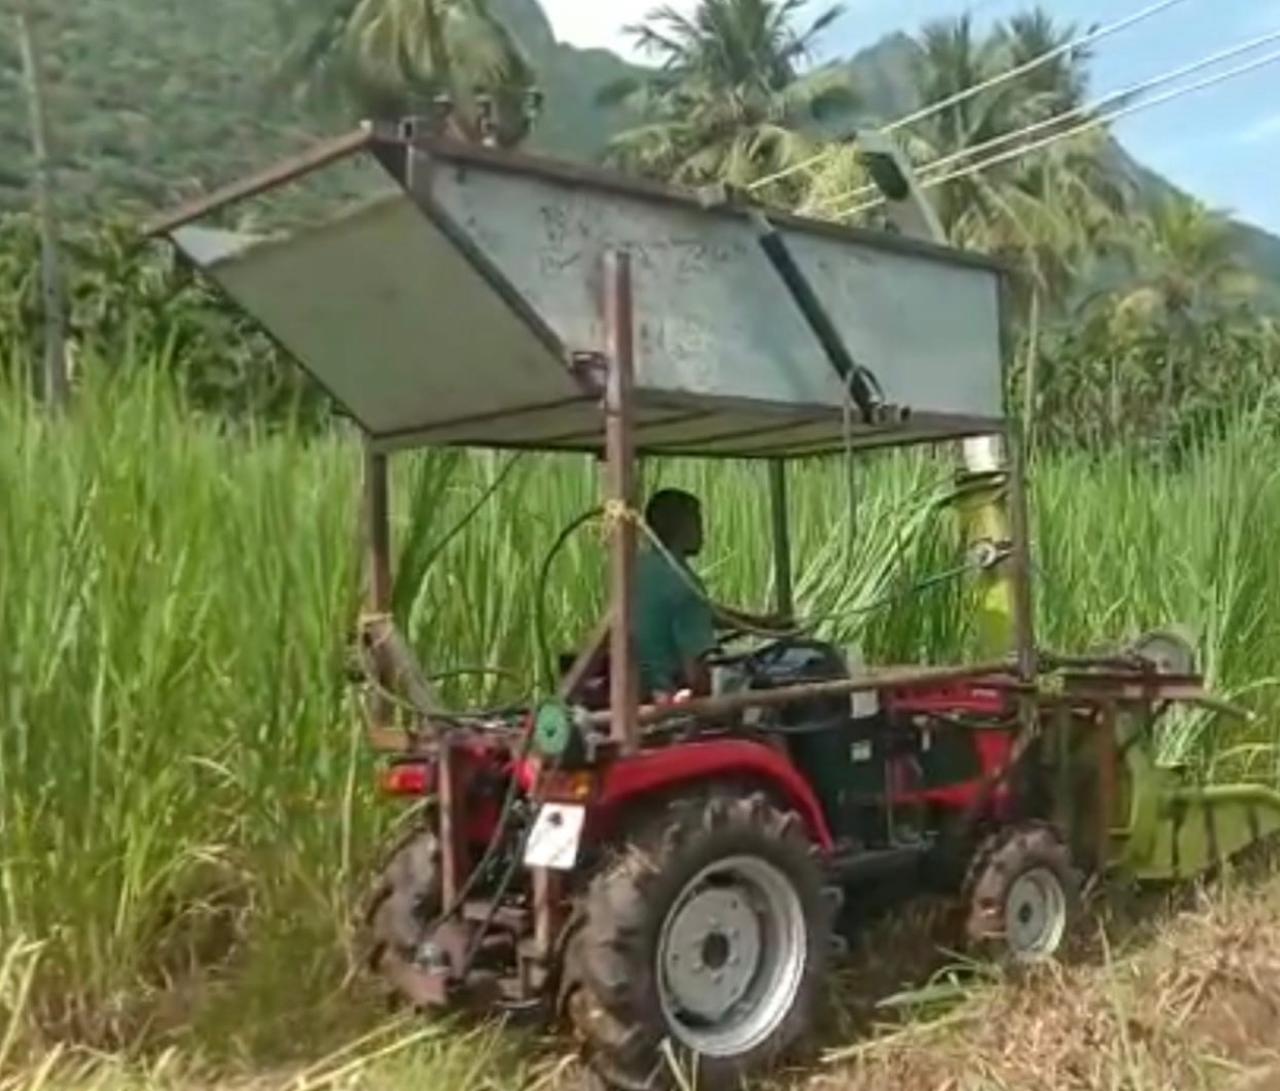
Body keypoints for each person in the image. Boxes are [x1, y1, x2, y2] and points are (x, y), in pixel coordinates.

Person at [633, 488, 789, 698]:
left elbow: (704, 611)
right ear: (681, 527)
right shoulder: (684, 584)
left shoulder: (639, 570)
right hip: (669, 696)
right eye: (697, 522)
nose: (703, 531)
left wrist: (760, 623)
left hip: (639, 689)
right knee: (767, 689)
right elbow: (696, 676)